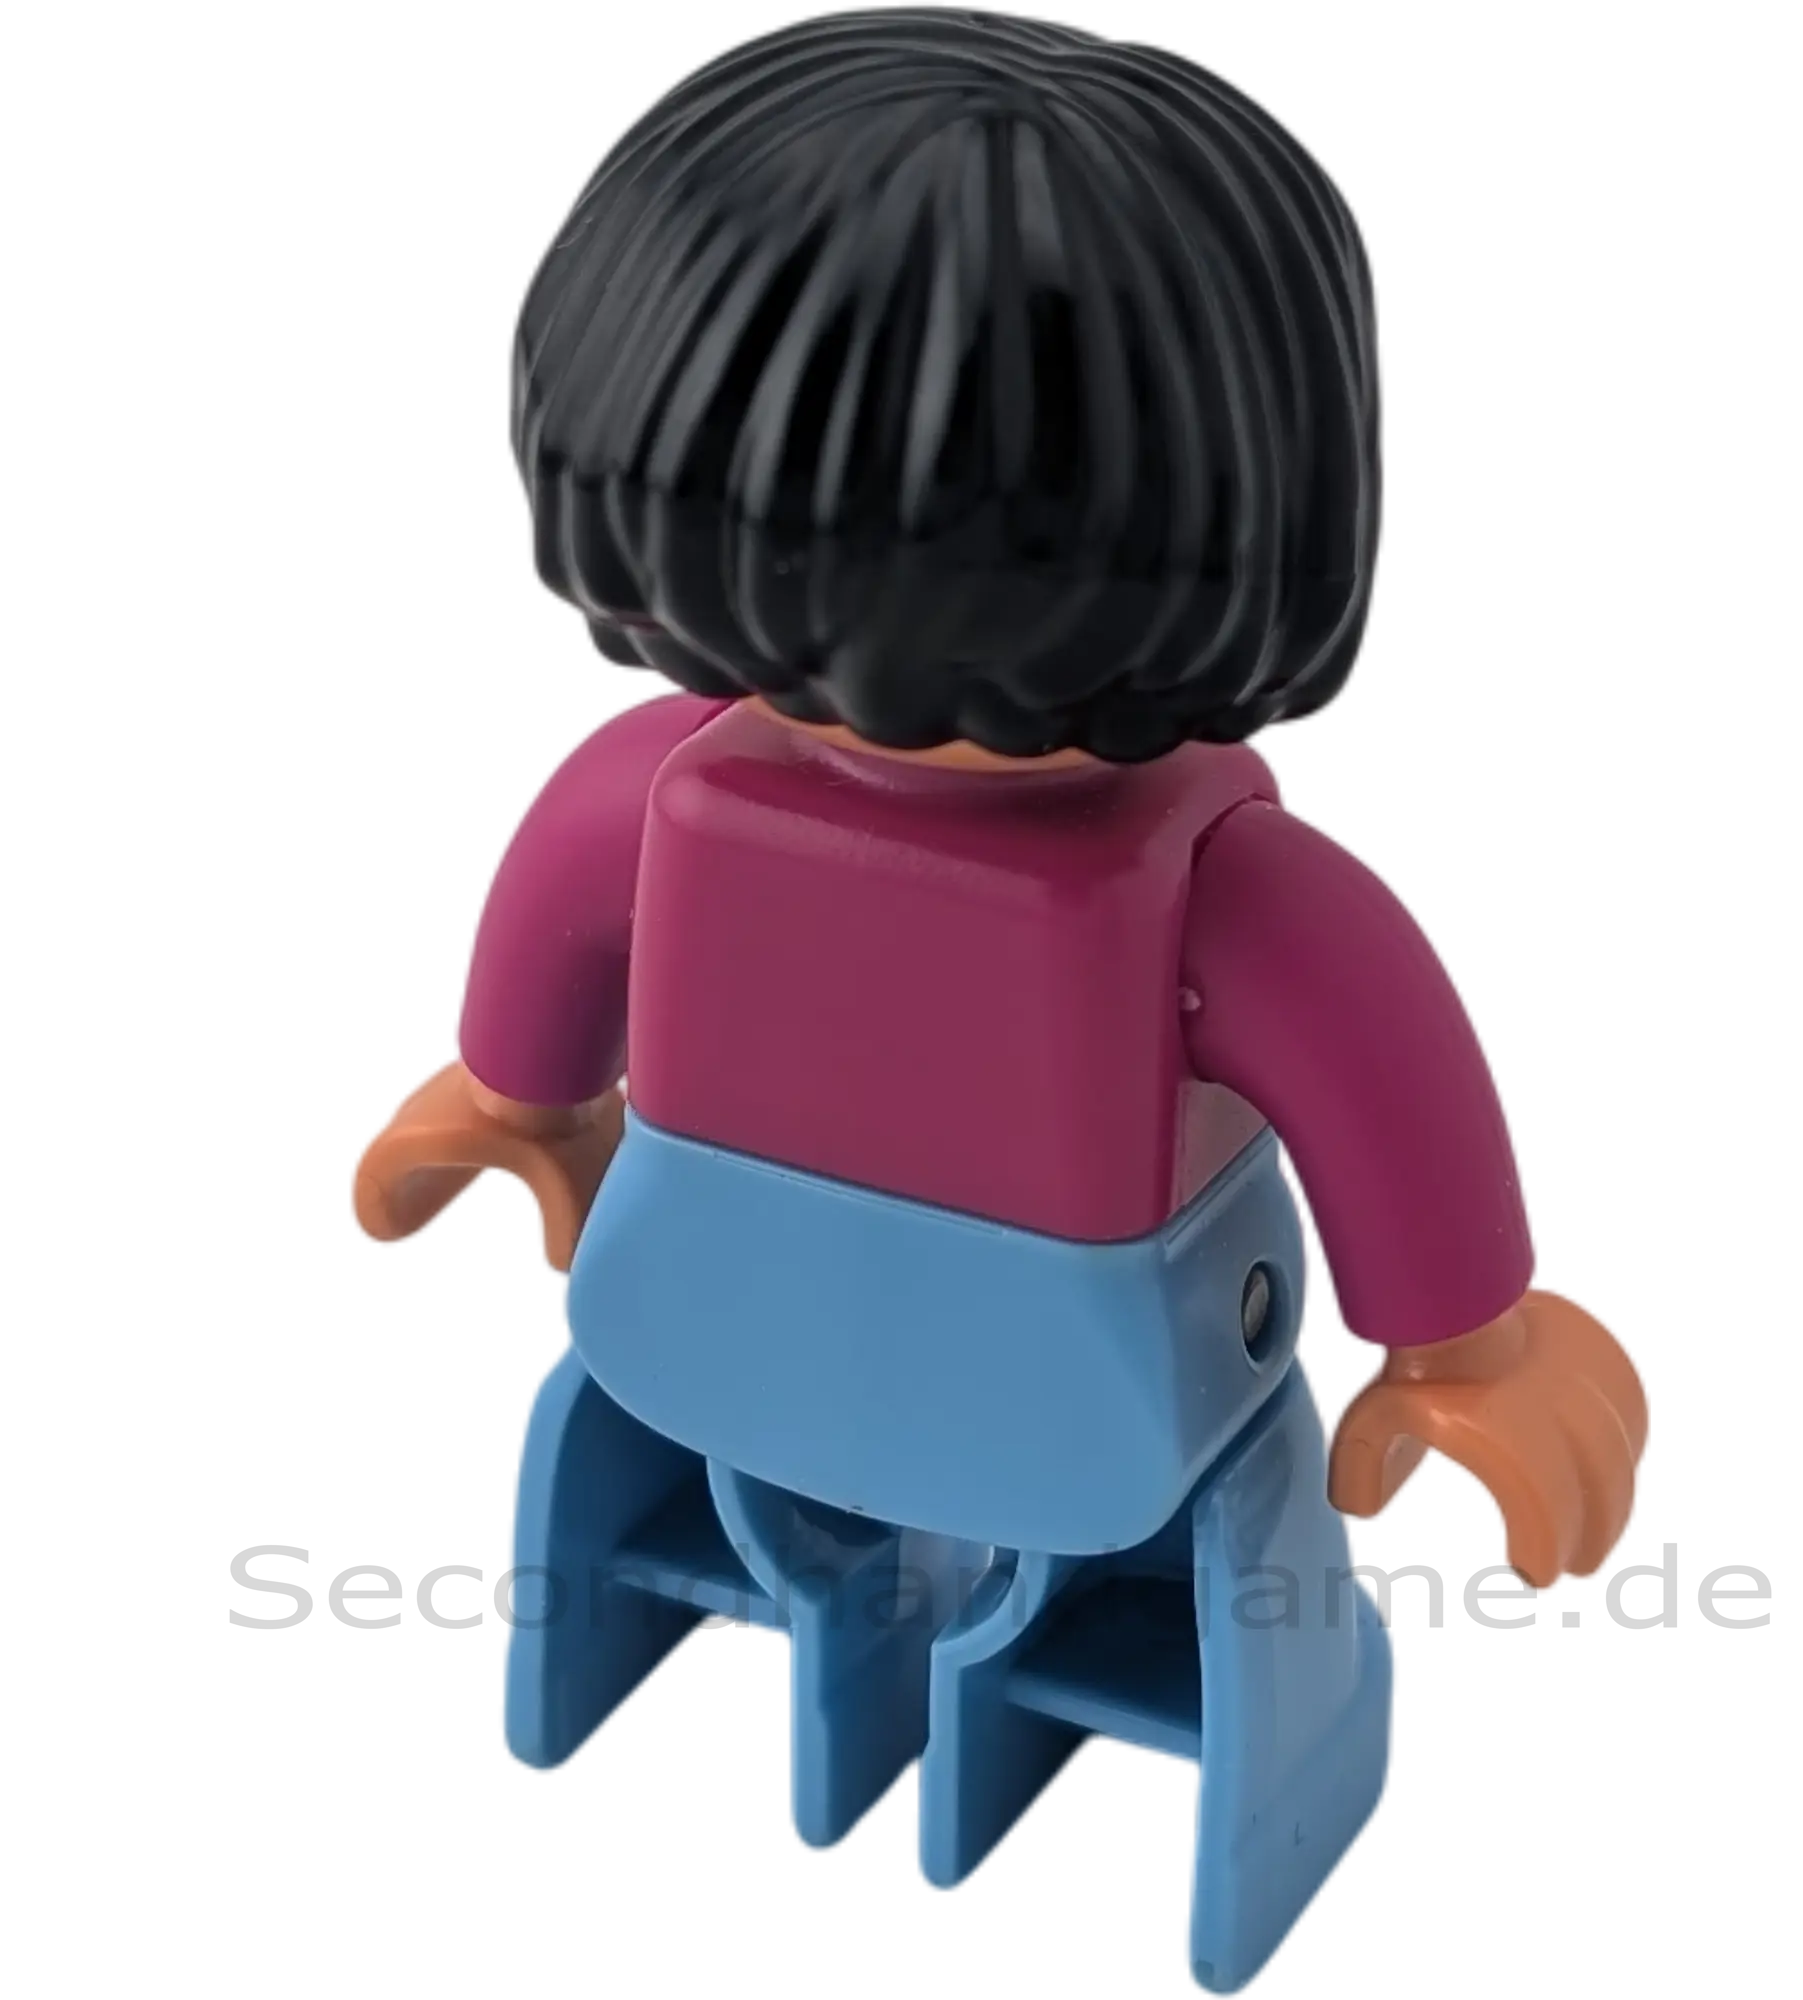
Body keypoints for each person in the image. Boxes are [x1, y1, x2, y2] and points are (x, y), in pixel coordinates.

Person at [349, 8, 1647, 1991]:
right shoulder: (675, 794)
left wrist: (1468, 1341)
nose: (882, 681)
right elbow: (560, 904)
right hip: (725, 1337)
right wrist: (513, 1097)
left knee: (1195, 1570)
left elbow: (1373, 1063)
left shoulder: (1214, 891)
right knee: (702, 1472)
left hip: (1085, 1404)